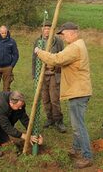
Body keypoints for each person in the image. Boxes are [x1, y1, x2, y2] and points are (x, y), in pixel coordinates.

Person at [34, 22, 93, 169]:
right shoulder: (77, 45)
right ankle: (76, 148)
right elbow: (63, 62)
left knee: (78, 126)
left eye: (64, 33)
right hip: (78, 90)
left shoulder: (75, 47)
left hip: (79, 91)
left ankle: (87, 156)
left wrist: (39, 52)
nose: (62, 36)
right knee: (76, 124)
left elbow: (57, 59)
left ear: (72, 32)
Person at [32, 20, 66, 133]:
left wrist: (58, 71)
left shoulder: (58, 41)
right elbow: (34, 58)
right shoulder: (38, 41)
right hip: (41, 75)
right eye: (45, 29)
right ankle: (49, 119)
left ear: (53, 30)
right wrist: (34, 75)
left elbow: (63, 58)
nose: (47, 31)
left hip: (53, 75)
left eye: (49, 29)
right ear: (42, 30)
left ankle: (58, 121)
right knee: (45, 99)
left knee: (54, 99)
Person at [0, 25, 19, 93]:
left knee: (6, 88)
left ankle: (5, 102)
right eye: (2, 33)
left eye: (5, 33)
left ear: (7, 32)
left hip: (7, 67)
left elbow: (16, 54)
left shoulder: (12, 41)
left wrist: (12, 66)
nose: (4, 34)